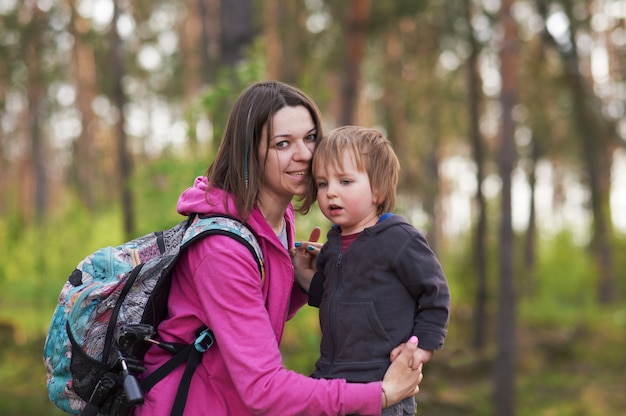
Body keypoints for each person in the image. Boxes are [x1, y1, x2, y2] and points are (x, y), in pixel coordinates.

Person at [135, 82, 424, 416]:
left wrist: (301, 282)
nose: (304, 154)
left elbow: (254, 320)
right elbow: (263, 388)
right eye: (283, 144)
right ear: (249, 152)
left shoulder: (278, 219)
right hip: (191, 405)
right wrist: (380, 394)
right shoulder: (222, 249)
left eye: (311, 137)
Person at [293, 125, 450, 416]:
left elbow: (435, 294)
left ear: (377, 189)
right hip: (333, 378)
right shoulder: (334, 242)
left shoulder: (399, 238)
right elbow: (331, 293)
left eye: (345, 181)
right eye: (323, 183)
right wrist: (303, 275)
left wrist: (421, 348)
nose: (331, 193)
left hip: (383, 383)